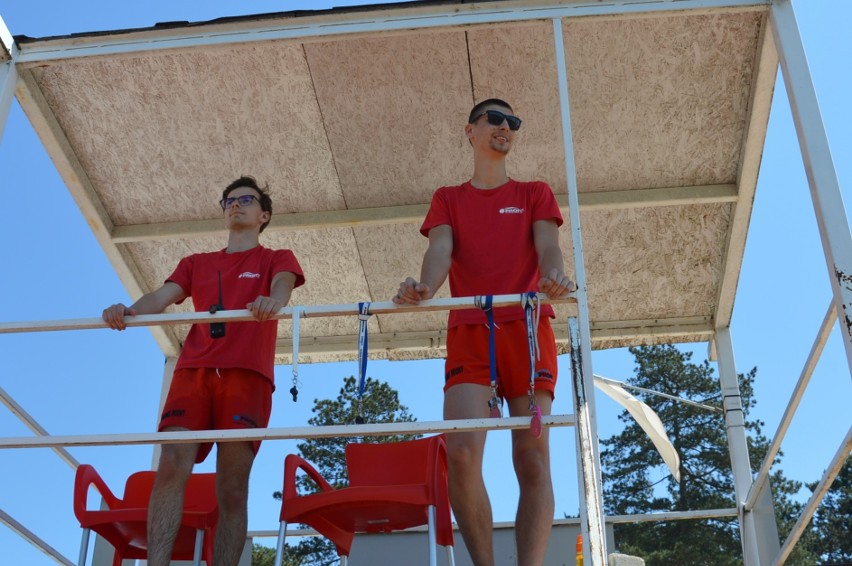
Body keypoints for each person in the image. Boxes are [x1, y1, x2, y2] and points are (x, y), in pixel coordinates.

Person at [393, 99, 575, 566]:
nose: (505, 127)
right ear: (469, 131)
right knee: (462, 453)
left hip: (530, 333)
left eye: (513, 122)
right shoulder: (448, 198)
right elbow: (439, 250)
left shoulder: (535, 191)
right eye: (495, 119)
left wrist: (556, 275)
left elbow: (548, 246)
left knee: (532, 459)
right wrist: (424, 287)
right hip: (471, 333)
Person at [103, 176, 304, 566]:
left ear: (264, 215)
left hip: (246, 375)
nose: (235, 205)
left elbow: (283, 286)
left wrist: (272, 300)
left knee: (231, 486)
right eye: (228, 201)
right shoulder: (197, 263)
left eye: (246, 200)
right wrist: (127, 311)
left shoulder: (276, 257)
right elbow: (162, 297)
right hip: (193, 371)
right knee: (171, 464)